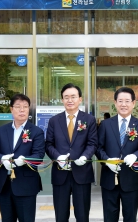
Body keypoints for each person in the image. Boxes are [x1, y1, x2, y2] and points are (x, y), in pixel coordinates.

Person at [96, 87, 138, 222]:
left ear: (133, 103)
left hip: (131, 179)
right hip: (109, 180)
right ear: (115, 103)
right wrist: (107, 160)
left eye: (127, 101)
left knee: (130, 217)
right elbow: (98, 147)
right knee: (109, 217)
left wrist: (135, 156)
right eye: (120, 101)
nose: (123, 104)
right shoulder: (105, 124)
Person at [45, 83, 98, 222]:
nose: (70, 100)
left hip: (82, 173)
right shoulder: (54, 121)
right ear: (62, 100)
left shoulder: (89, 120)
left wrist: (85, 157)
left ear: (80, 99)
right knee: (61, 216)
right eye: (66, 97)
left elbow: (92, 143)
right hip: (60, 174)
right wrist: (58, 157)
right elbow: (49, 144)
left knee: (82, 215)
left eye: (73, 97)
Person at [0, 94, 45, 222]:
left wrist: (24, 160)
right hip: (4, 185)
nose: (22, 110)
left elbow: (39, 155)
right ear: (11, 109)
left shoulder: (36, 131)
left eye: (25, 107)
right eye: (18, 107)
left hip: (26, 186)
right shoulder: (2, 130)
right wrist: (3, 158)